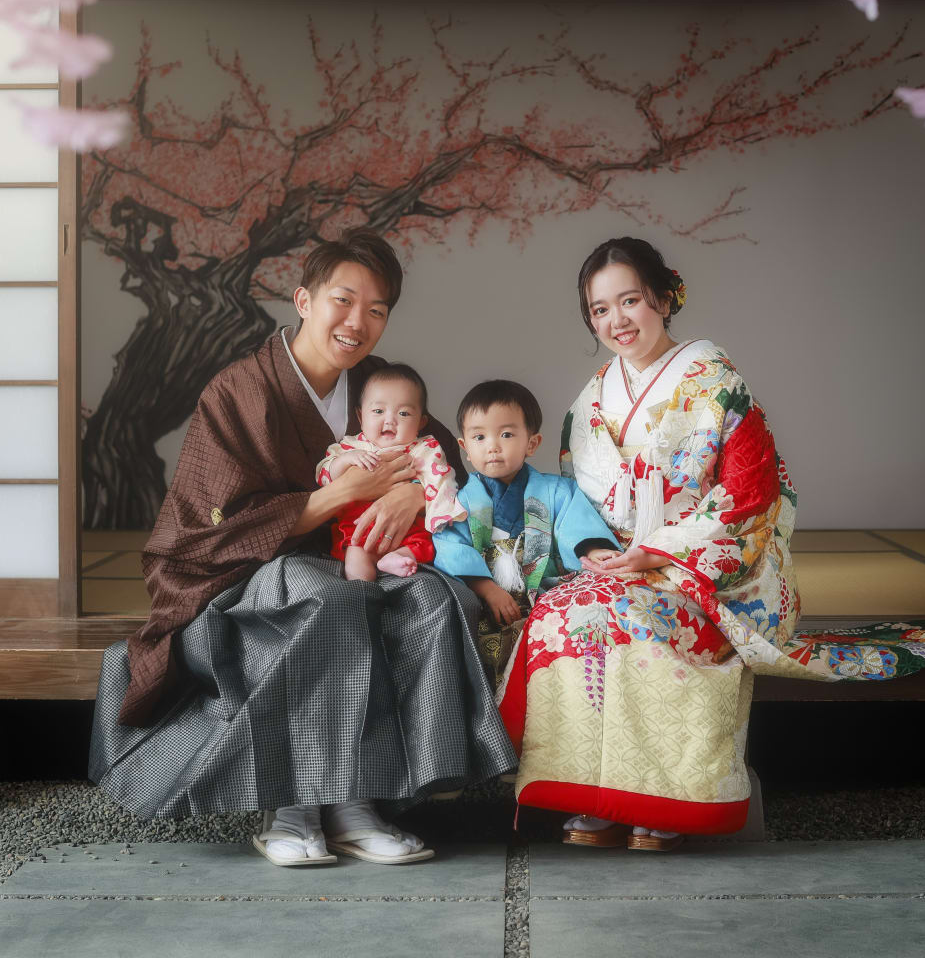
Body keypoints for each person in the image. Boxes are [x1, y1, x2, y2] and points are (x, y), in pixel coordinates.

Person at [88, 229, 517, 867]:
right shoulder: (238, 392)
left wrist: (411, 498)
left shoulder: (377, 384)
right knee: (324, 594)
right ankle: (293, 806)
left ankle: (363, 800)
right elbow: (205, 527)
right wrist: (343, 494)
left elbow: (438, 454)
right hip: (245, 578)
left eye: (376, 310)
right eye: (343, 301)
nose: (357, 322)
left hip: (357, 557)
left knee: (431, 595)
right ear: (303, 300)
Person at [496, 236, 800, 851]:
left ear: (663, 298)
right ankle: (594, 794)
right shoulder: (592, 400)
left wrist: (662, 551)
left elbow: (751, 493)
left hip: (710, 562)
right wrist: (596, 552)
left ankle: (667, 799)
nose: (616, 321)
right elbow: (577, 502)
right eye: (600, 310)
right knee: (564, 611)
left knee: (640, 615)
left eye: (629, 300)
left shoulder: (715, 380)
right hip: (623, 558)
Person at [432, 380, 620, 683]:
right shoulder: (457, 502)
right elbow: (450, 546)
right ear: (464, 448)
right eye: (479, 436)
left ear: (532, 443)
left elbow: (576, 524)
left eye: (506, 434)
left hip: (547, 594)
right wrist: (487, 588)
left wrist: (593, 549)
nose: (492, 446)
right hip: (487, 602)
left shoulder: (557, 490)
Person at [316, 363, 466, 582]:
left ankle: (396, 559)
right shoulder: (351, 446)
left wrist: (441, 514)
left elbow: (443, 481)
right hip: (360, 527)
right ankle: (361, 589)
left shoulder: (424, 450)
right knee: (356, 556)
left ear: (421, 423)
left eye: (404, 413)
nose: (390, 420)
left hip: (407, 529)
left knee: (424, 546)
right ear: (360, 416)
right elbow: (323, 474)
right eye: (378, 411)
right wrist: (344, 461)